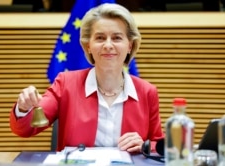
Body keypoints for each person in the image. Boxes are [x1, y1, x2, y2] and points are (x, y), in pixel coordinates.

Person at [10, 3, 164, 153]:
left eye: (117, 38)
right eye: (100, 38)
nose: (108, 45)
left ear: (130, 45)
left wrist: (144, 146)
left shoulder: (147, 92)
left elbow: (158, 146)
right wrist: (23, 108)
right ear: (88, 45)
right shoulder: (66, 84)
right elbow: (26, 129)